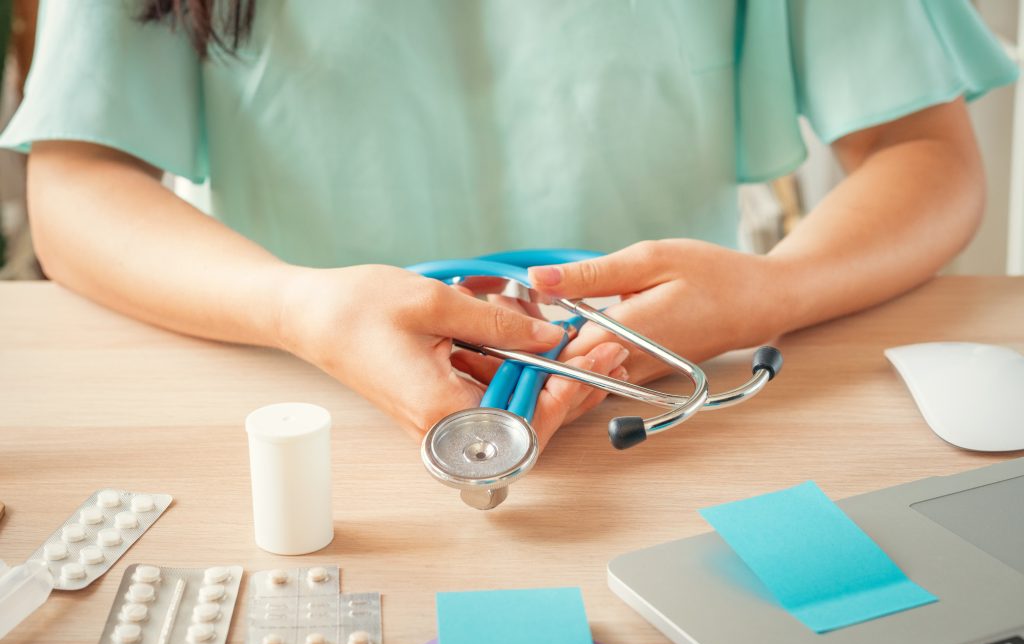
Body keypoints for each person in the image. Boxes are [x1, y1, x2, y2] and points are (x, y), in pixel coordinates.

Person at [0, 0, 1016, 450]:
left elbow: (919, 154)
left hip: (671, 415)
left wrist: (773, 289)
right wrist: (298, 306)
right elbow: (81, 183)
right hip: (301, 402)